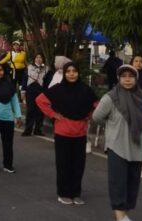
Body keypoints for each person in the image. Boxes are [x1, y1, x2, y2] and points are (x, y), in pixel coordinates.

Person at [93, 64, 142, 221]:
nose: (127, 79)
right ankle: (120, 217)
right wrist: (111, 125)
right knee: (118, 182)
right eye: (123, 76)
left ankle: (123, 215)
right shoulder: (110, 98)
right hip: (117, 146)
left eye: (131, 76)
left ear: (136, 79)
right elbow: (97, 117)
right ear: (118, 78)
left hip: (136, 147)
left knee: (132, 184)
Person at [37, 61, 97, 205]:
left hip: (80, 132)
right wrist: (54, 115)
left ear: (78, 73)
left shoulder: (85, 90)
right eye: (68, 71)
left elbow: (97, 105)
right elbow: (40, 100)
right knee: (64, 164)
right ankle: (63, 193)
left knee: (78, 165)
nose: (71, 74)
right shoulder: (58, 89)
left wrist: (90, 115)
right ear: (64, 73)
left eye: (74, 71)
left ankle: (76, 193)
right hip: (63, 132)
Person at [0, 63, 22, 174]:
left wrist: (18, 115)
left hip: (8, 119)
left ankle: (8, 165)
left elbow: (15, 101)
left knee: (8, 144)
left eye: (1, 70)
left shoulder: (9, 85)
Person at [22, 53, 49, 136]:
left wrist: (47, 93)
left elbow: (47, 83)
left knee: (40, 111)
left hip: (41, 92)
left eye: (40, 57)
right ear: (34, 59)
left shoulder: (46, 69)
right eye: (37, 57)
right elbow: (24, 80)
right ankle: (28, 130)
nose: (38, 59)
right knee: (30, 110)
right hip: (30, 91)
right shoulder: (29, 68)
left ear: (43, 59)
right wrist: (23, 91)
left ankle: (38, 130)